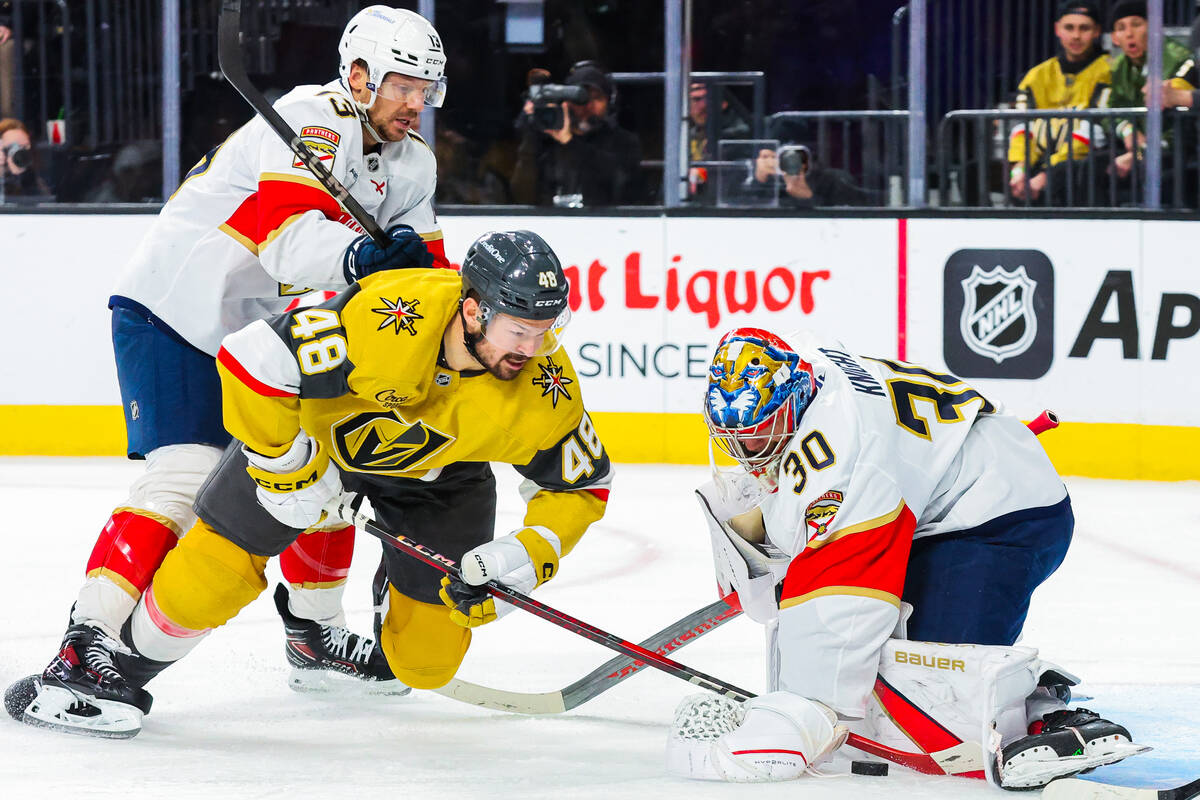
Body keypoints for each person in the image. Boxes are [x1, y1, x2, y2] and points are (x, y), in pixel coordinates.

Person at [3, 4, 453, 737]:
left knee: (329, 464)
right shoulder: (313, 116)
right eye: (403, 84)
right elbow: (283, 237)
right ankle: (82, 649)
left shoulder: (414, 165)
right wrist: (362, 258)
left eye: (425, 89)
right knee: (183, 480)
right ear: (360, 72)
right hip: (178, 311)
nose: (414, 103)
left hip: (266, 340)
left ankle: (314, 638)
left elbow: (425, 279)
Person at [9, 231, 612, 738]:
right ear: (474, 308)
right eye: (519, 330)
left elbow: (584, 484)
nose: (532, 348)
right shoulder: (392, 314)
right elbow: (251, 357)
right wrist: (287, 467)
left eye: (544, 328)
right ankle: (108, 670)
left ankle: (389, 590)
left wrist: (528, 553)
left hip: (441, 481)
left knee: (425, 664)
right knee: (206, 582)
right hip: (320, 445)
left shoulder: (545, 388)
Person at [665, 328, 1142, 787]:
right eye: (735, 436)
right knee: (893, 654)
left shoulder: (841, 449)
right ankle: (1027, 700)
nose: (747, 450)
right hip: (946, 492)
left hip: (1003, 515)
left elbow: (844, 592)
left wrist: (806, 707)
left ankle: (1043, 713)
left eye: (759, 434)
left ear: (793, 402)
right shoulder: (812, 371)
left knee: (934, 677)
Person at [1008, 1, 1111, 205]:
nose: (1076, 36)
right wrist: (1019, 170)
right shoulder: (1036, 75)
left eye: (1084, 28)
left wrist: (1047, 174)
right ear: (1057, 29)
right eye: (1069, 27)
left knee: (1070, 173)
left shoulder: (1109, 71)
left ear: (1097, 31)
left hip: (1082, 164)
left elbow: (1093, 131)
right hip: (1038, 161)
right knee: (977, 170)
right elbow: (1022, 126)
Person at [510, 62, 642, 207]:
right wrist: (531, 133)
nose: (588, 105)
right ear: (566, 102)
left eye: (596, 98)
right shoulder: (545, 140)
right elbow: (521, 195)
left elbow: (618, 185)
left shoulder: (624, 142)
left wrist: (570, 142)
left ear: (609, 102)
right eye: (580, 98)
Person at [1104, 1, 1198, 204]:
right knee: (1093, 166)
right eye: (1121, 28)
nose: (1129, 33)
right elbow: (1111, 110)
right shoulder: (1119, 66)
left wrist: (1142, 151)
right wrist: (1128, 131)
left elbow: (1180, 124)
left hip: (1176, 149)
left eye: (1136, 24)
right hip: (1137, 148)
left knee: (1149, 169)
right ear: (1114, 38)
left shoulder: (1177, 58)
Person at [734, 145, 880, 208]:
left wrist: (808, 198)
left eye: (798, 157)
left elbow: (853, 224)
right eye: (783, 157)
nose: (791, 163)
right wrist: (758, 181)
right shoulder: (764, 179)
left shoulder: (834, 180)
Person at [687, 81, 750, 202]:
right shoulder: (689, 135)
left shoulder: (739, 133)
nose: (702, 106)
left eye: (706, 99)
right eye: (694, 100)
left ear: (723, 103)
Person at [0, 117, 52, 200]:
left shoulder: (35, 180)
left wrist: (22, 175)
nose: (18, 151)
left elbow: (43, 205)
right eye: (12, 147)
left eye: (24, 146)